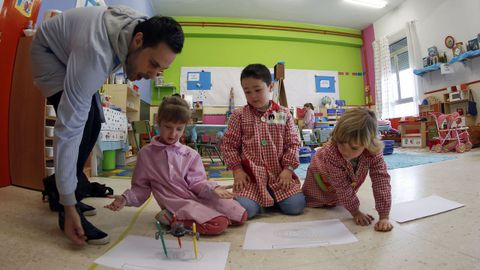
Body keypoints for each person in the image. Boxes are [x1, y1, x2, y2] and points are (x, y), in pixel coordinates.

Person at [30, 6, 184, 245]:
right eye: (152, 64)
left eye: (160, 70)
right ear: (138, 41)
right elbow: (67, 129)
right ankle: (64, 203)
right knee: (79, 127)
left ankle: (61, 187)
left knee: (94, 122)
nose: (153, 75)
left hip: (72, 52)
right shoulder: (94, 56)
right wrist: (69, 204)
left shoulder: (139, 27)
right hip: (49, 55)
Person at [105, 96, 247, 235]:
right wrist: (125, 199)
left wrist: (213, 189)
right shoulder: (146, 154)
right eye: (168, 127)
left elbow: (197, 182)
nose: (173, 134)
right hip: (175, 203)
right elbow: (140, 188)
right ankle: (168, 217)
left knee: (240, 216)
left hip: (199, 196)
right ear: (158, 123)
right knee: (218, 224)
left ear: (185, 128)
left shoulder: (191, 154)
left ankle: (201, 212)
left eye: (179, 129)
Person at [221, 63, 306, 219]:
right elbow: (229, 146)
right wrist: (237, 170)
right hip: (251, 179)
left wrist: (288, 170)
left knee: (296, 206)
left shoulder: (283, 114)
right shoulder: (239, 115)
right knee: (245, 210)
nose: (253, 96)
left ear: (270, 86)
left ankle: (271, 197)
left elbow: (292, 144)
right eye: (247, 92)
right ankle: (260, 199)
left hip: (280, 177)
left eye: (258, 90)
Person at [302, 108, 393, 232]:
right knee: (316, 199)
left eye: (354, 147)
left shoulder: (374, 152)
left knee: (344, 193)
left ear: (368, 143)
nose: (345, 151)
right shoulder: (331, 152)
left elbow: (381, 182)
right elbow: (342, 187)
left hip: (341, 189)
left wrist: (384, 215)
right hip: (318, 184)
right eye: (341, 143)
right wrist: (355, 212)